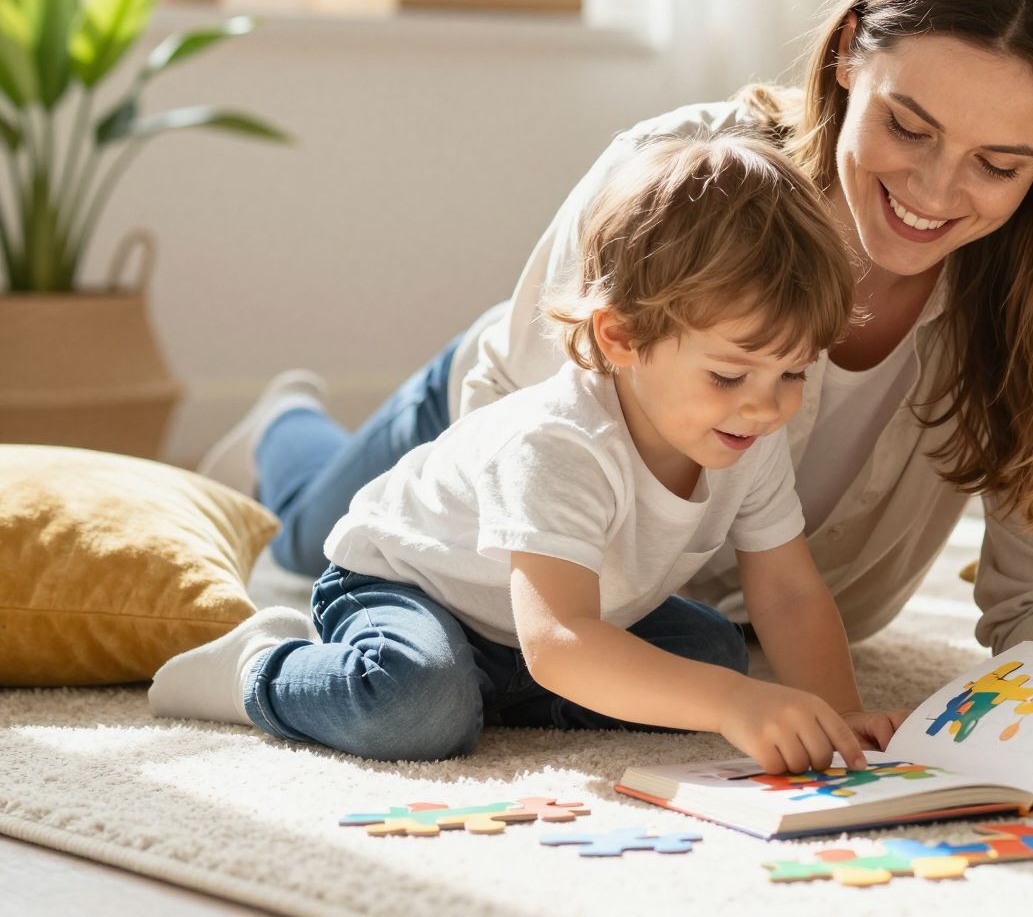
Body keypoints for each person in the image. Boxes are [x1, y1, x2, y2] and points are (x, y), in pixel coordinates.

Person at [199, 0, 1033, 756]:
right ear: (849, 53)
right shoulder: (676, 180)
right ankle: (284, 432)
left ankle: (291, 435)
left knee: (683, 659)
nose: (933, 192)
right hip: (479, 467)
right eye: (907, 126)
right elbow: (518, 469)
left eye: (999, 165)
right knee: (302, 547)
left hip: (662, 605)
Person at [155, 135, 902, 770]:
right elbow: (562, 640)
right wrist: (731, 704)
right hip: (413, 588)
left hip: (542, 627)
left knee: (711, 655)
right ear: (622, 338)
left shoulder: (747, 431)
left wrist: (840, 712)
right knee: (417, 708)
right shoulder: (560, 443)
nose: (767, 406)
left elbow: (788, 592)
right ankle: (262, 664)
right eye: (729, 376)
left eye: (792, 373)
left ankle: (489, 695)